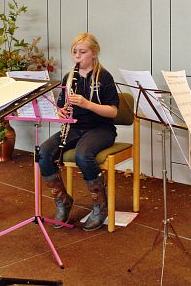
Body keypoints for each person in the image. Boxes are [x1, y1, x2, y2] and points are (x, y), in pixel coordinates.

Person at [38, 32, 119, 231]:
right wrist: (60, 111)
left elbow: (113, 111)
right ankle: (62, 201)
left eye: (82, 52)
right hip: (74, 127)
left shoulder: (104, 77)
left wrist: (87, 104)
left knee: (83, 155)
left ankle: (100, 206)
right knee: (44, 152)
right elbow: (60, 106)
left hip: (101, 128)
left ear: (94, 53)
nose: (77, 56)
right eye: (74, 52)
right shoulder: (69, 78)